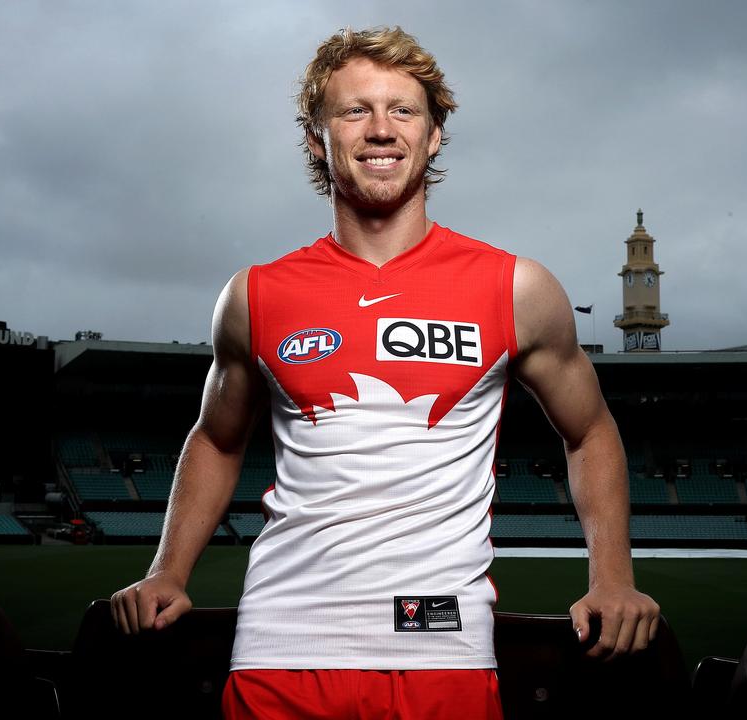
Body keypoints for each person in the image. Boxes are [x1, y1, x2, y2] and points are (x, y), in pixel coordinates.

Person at [111, 25, 660, 718]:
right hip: (282, 647)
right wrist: (168, 570)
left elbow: (590, 431)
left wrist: (612, 577)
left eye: (403, 110)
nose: (380, 129)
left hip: (440, 647)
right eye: (354, 111)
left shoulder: (516, 289)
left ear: (433, 138)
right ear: (317, 138)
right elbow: (217, 439)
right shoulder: (254, 296)